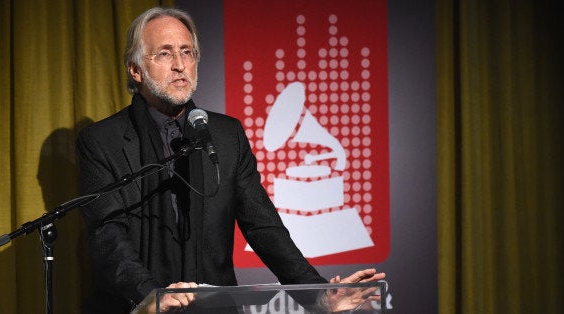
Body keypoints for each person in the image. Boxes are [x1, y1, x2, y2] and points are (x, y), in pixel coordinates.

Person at [76, 7, 385, 313]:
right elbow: (108, 235)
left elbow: (263, 226)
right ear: (135, 69)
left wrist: (319, 295)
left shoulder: (226, 135)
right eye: (165, 54)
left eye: (187, 52)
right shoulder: (102, 141)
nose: (180, 65)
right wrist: (149, 297)